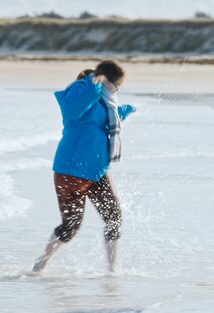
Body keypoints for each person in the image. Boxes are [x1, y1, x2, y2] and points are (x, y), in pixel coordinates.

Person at [32, 60, 136, 273]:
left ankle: (111, 270)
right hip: (71, 171)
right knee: (71, 227)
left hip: (96, 171)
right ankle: (40, 264)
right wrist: (92, 85)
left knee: (114, 217)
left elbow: (103, 119)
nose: (117, 90)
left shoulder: (106, 100)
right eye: (117, 85)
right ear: (106, 81)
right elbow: (73, 111)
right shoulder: (80, 91)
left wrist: (126, 110)